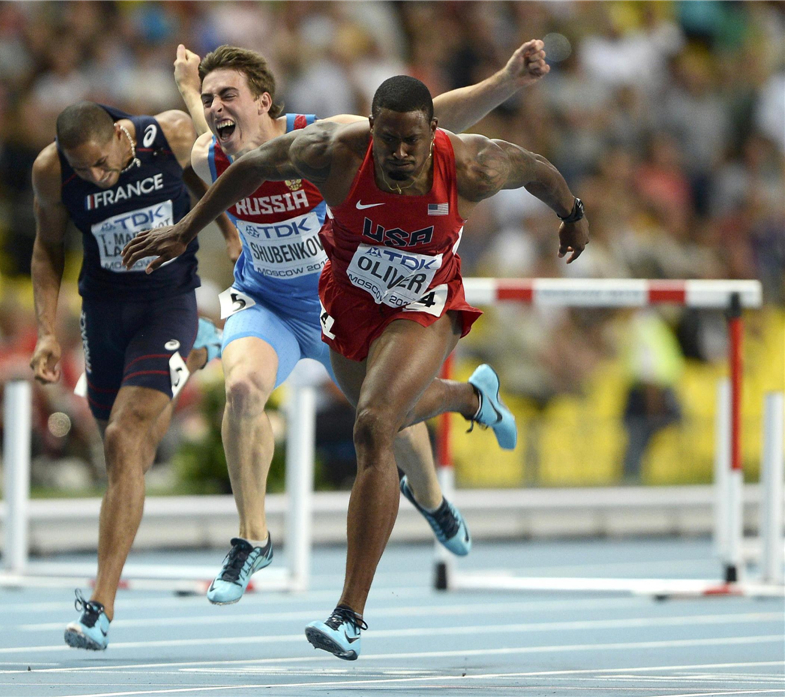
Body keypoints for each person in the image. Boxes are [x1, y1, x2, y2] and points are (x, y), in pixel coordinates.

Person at [123, 75, 589, 660]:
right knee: (381, 412)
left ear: (431, 133)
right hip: (346, 300)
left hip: (423, 304)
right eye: (387, 139)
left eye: (411, 141)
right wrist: (185, 229)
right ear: (371, 129)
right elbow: (246, 168)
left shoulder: (474, 166)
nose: (398, 153)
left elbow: (538, 168)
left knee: (372, 426)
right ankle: (470, 399)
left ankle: (349, 614)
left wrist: (573, 213)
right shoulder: (334, 152)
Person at [29, 100, 238, 651]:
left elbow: (215, 185)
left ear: (122, 136)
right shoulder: (51, 170)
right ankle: (194, 357)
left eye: (102, 163)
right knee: (125, 456)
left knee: (125, 438)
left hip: (167, 302)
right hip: (103, 313)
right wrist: (47, 331)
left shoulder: (167, 133)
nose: (95, 177)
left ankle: (99, 605)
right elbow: (48, 247)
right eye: (84, 170)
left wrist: (236, 238)